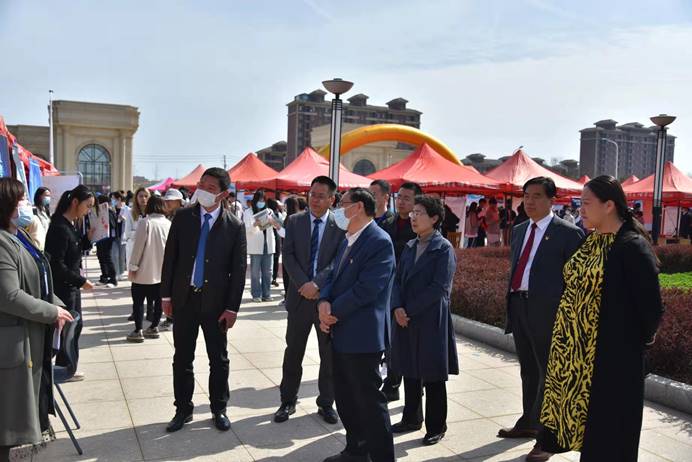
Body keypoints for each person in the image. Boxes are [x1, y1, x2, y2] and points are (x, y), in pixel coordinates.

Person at [534, 176, 665, 462]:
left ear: (609, 205)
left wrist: (632, 343)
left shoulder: (631, 246)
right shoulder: (592, 240)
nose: (580, 209)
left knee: (610, 437)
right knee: (591, 435)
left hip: (611, 359)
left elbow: (651, 308)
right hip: (577, 357)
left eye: (587, 203)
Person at [498, 177, 584, 457]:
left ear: (551, 200)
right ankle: (529, 421)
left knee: (550, 372)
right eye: (526, 196)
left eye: (536, 196)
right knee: (528, 370)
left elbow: (574, 280)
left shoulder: (568, 233)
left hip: (548, 311)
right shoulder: (520, 230)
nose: (530, 201)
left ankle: (547, 435)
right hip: (519, 305)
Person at [161, 167, 246, 433]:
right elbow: (170, 259)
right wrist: (166, 296)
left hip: (216, 305)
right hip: (184, 299)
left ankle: (219, 408)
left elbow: (238, 271)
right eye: (201, 185)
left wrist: (232, 308)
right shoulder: (183, 217)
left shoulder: (234, 226)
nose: (203, 191)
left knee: (218, 359)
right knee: (182, 358)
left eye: (210, 188)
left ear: (223, 194)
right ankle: (182, 409)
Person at [318, 188, 396, 462]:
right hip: (340, 332)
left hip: (362, 335)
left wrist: (332, 311)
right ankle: (356, 450)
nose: (338, 210)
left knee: (369, 402)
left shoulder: (379, 241)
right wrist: (323, 301)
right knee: (346, 398)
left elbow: (367, 289)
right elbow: (333, 276)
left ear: (359, 207)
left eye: (343, 204)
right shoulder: (348, 239)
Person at [0, 178, 74, 462]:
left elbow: (37, 279)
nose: (27, 205)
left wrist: (56, 304)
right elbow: (9, 295)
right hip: (13, 342)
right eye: (21, 200)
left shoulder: (18, 234)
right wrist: (50, 311)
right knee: (7, 425)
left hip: (29, 337)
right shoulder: (2, 242)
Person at [275, 176, 345, 425]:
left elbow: (338, 260)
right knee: (293, 351)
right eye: (312, 194)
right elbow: (288, 255)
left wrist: (316, 284)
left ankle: (326, 403)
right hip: (299, 298)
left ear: (332, 199)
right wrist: (303, 284)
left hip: (326, 300)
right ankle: (287, 400)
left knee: (329, 355)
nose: (314, 199)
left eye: (321, 196)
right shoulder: (295, 221)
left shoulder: (340, 225)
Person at [390, 195, 459, 446]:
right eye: (413, 213)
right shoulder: (410, 246)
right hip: (406, 318)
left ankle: (436, 426)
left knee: (433, 375)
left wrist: (407, 309)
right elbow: (397, 280)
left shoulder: (443, 249)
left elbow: (439, 287)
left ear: (434, 218)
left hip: (430, 319)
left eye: (419, 213)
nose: (413, 217)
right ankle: (411, 418)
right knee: (409, 369)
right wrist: (397, 306)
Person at [44, 185, 96, 381]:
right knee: (67, 329)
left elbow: (73, 252)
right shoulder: (59, 227)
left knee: (73, 326)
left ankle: (67, 366)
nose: (88, 210)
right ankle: (64, 368)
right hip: (64, 288)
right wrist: (81, 281)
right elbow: (56, 264)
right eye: (87, 205)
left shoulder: (70, 225)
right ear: (75, 202)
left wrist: (87, 239)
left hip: (71, 287)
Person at [380, 181, 422, 402]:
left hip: (411, 290)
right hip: (388, 287)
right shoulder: (388, 222)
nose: (402, 202)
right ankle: (393, 383)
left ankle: (414, 384)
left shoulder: (420, 228)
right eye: (400, 197)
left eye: (407, 198)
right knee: (392, 339)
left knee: (411, 341)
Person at [126, 196, 171, 342]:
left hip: (144, 270)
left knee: (138, 301)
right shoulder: (168, 223)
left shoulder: (145, 222)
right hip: (161, 270)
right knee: (158, 300)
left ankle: (138, 330)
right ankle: (154, 326)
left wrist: (133, 266)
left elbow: (138, 247)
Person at [243, 190, 279, 302]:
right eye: (259, 200)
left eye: (263, 200)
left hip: (268, 244)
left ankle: (266, 294)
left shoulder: (269, 211)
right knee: (255, 272)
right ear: (255, 200)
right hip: (255, 245)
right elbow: (245, 229)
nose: (261, 202)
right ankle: (256, 294)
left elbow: (278, 225)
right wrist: (255, 224)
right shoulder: (248, 212)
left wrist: (273, 221)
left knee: (268, 271)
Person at [123, 187, 150, 269]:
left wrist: (138, 232)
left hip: (148, 248)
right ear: (136, 198)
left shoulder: (152, 213)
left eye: (146, 196)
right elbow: (128, 233)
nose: (143, 198)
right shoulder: (130, 213)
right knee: (134, 272)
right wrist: (144, 233)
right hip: (134, 247)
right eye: (141, 196)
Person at [95, 195, 118, 287]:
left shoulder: (109, 212)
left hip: (107, 239)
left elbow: (113, 225)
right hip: (99, 238)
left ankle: (113, 279)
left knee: (107, 258)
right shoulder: (98, 212)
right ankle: (104, 277)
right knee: (101, 257)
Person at [26, 186, 52, 250]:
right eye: (46, 195)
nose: (48, 198)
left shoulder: (46, 210)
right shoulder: (33, 210)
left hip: (46, 243)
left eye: (49, 196)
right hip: (37, 244)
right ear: (39, 196)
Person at [267, 198, 285, 288]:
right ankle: (274, 278)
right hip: (277, 236)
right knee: (276, 258)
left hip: (270, 236)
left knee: (270, 258)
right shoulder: (279, 214)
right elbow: (281, 224)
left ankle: (270, 278)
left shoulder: (268, 214)